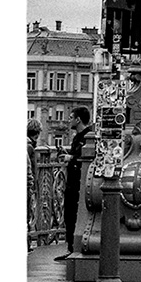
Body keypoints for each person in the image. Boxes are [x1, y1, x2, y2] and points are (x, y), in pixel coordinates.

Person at [62, 107, 94, 252]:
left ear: (78, 119)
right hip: (72, 182)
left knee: (74, 213)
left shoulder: (87, 137)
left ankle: (74, 246)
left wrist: (71, 158)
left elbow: (85, 157)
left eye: (71, 118)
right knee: (69, 214)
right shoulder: (78, 137)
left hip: (79, 183)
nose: (69, 121)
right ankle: (70, 246)